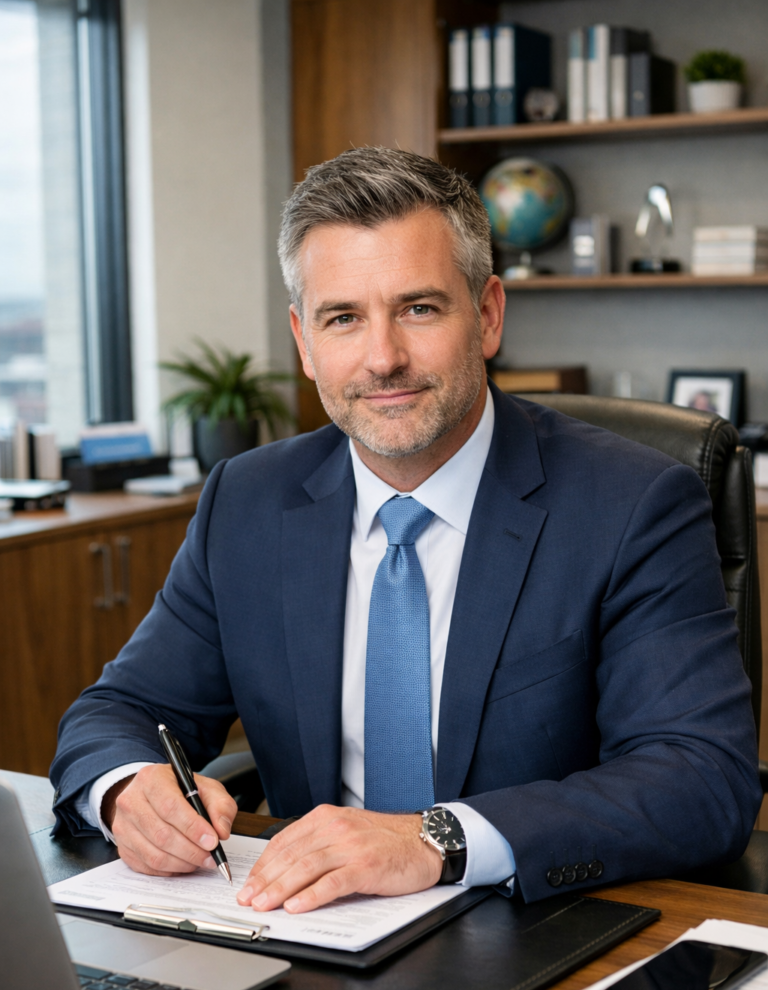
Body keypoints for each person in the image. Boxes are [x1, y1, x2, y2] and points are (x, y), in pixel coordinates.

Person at [50, 147, 760, 913]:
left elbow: (700, 776)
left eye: (418, 308)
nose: (383, 357)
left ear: (487, 315)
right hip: (307, 931)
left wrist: (435, 839)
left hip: (532, 929)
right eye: (343, 318)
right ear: (304, 341)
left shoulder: (631, 501)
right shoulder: (249, 501)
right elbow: (117, 712)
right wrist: (126, 790)